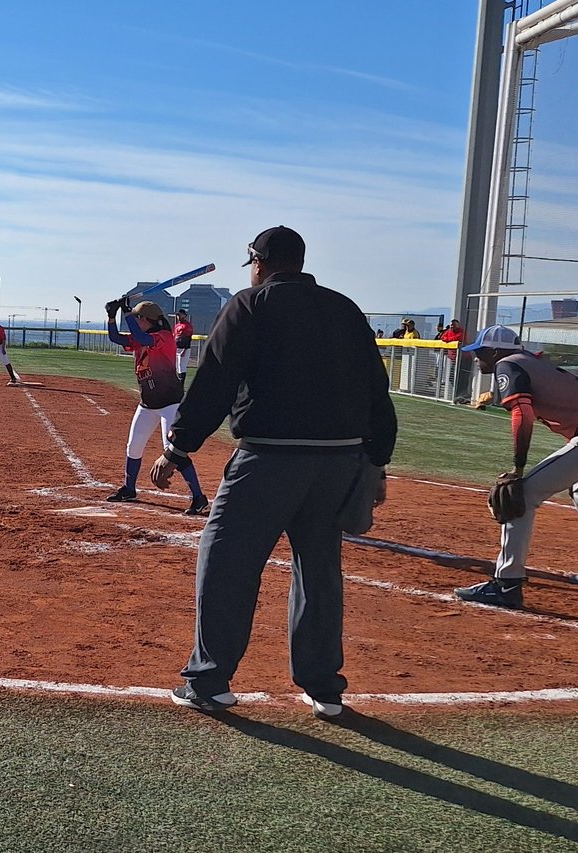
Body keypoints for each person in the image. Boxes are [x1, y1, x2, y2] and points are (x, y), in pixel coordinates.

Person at [149, 226, 397, 718]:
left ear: (259, 262)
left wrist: (178, 449)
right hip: (339, 461)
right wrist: (377, 461)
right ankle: (323, 687)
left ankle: (210, 680)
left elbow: (215, 380)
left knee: (225, 559)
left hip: (270, 458)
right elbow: (376, 388)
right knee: (320, 569)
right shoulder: (344, 307)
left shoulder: (250, 304)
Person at [453, 325, 578, 609]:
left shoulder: (507, 363)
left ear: (494, 352)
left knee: (522, 495)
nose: (476, 359)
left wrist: (518, 468)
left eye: (479, 353)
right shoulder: (533, 362)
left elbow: (522, 413)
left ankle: (506, 584)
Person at [104, 298, 209, 515]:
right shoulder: (141, 338)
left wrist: (126, 313)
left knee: (171, 450)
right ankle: (129, 489)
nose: (136, 321)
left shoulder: (163, 337)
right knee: (134, 445)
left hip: (169, 402)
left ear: (147, 320)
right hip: (148, 403)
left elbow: (142, 337)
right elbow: (115, 337)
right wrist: (111, 317)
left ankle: (198, 497)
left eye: (139, 317)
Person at [172, 308, 195, 382]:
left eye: (180, 315)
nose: (178, 316)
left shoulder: (187, 325)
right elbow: (175, 337)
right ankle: (177, 383)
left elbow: (188, 338)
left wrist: (185, 349)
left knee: (182, 366)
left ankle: (181, 384)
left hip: (184, 348)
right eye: (177, 315)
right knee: (177, 366)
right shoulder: (177, 326)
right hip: (177, 347)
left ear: (184, 316)